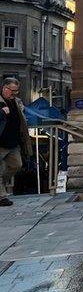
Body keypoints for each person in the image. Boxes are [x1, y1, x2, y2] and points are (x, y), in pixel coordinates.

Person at [0, 78, 31, 207]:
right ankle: (2, 197)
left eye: (16, 91)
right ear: (4, 88)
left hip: (13, 142)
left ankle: (2, 184)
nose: (14, 94)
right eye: (12, 91)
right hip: (0, 142)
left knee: (16, 165)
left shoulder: (16, 102)